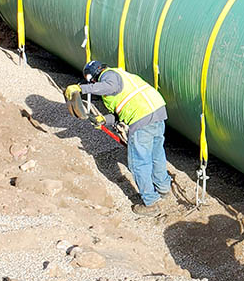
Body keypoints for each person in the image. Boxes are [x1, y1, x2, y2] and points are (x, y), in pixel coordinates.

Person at [65, 60, 171, 216]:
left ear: (93, 77)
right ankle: (163, 188)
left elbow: (110, 87)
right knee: (156, 154)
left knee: (139, 163)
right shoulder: (121, 74)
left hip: (141, 117)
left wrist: (81, 88)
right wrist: (104, 120)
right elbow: (121, 111)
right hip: (156, 112)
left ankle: (151, 203)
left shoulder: (108, 76)